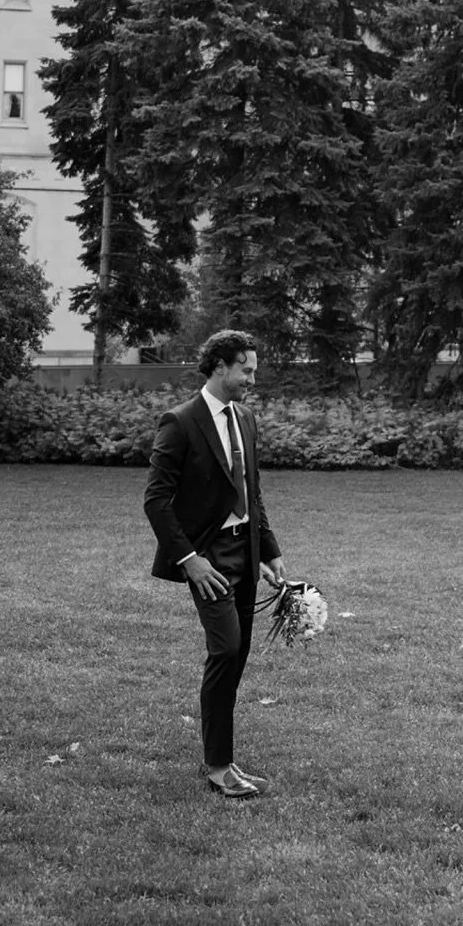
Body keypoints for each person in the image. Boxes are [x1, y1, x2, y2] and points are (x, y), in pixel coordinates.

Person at [143, 329, 288, 800]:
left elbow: (252, 489)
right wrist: (190, 560)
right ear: (220, 366)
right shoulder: (180, 422)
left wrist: (268, 550)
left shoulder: (244, 417)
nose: (251, 378)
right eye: (245, 370)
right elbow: (157, 501)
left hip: (245, 549)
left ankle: (222, 757)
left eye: (253, 371)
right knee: (225, 649)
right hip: (207, 557)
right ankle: (218, 766)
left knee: (237, 654)